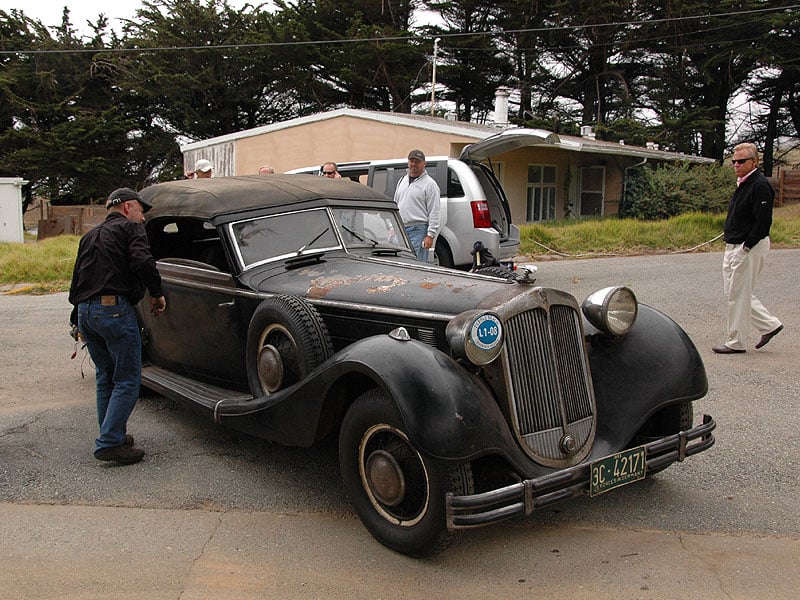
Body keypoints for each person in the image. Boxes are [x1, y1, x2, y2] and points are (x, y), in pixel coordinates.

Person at [69, 188, 167, 464]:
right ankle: (110, 442)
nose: (143, 218)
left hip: (86, 311)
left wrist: (77, 316)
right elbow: (143, 261)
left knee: (106, 376)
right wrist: (157, 293)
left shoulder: (89, 236)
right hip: (114, 310)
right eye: (140, 211)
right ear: (127, 207)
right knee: (127, 378)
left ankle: (113, 433)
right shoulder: (131, 229)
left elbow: (77, 279)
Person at [712, 143, 783, 354]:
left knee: (738, 295)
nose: (736, 165)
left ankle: (736, 342)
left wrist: (745, 248)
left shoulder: (760, 185)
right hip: (733, 245)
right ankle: (770, 325)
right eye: (734, 161)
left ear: (754, 162)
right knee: (734, 292)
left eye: (741, 161)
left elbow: (763, 223)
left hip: (749, 247)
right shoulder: (743, 183)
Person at [393, 149, 440, 261]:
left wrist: (430, 235)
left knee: (416, 265)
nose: (414, 164)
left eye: (417, 162)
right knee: (401, 263)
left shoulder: (430, 185)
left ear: (424, 164)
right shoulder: (402, 181)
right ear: (408, 162)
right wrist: (392, 226)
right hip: (400, 230)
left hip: (418, 230)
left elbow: (434, 211)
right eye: (411, 161)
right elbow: (395, 204)